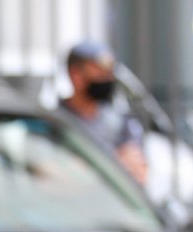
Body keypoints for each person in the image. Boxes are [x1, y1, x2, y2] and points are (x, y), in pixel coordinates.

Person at [61, 40, 148, 185]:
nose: (108, 78)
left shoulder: (122, 122)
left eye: (109, 72)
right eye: (99, 72)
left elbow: (138, 172)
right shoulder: (54, 120)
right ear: (76, 75)